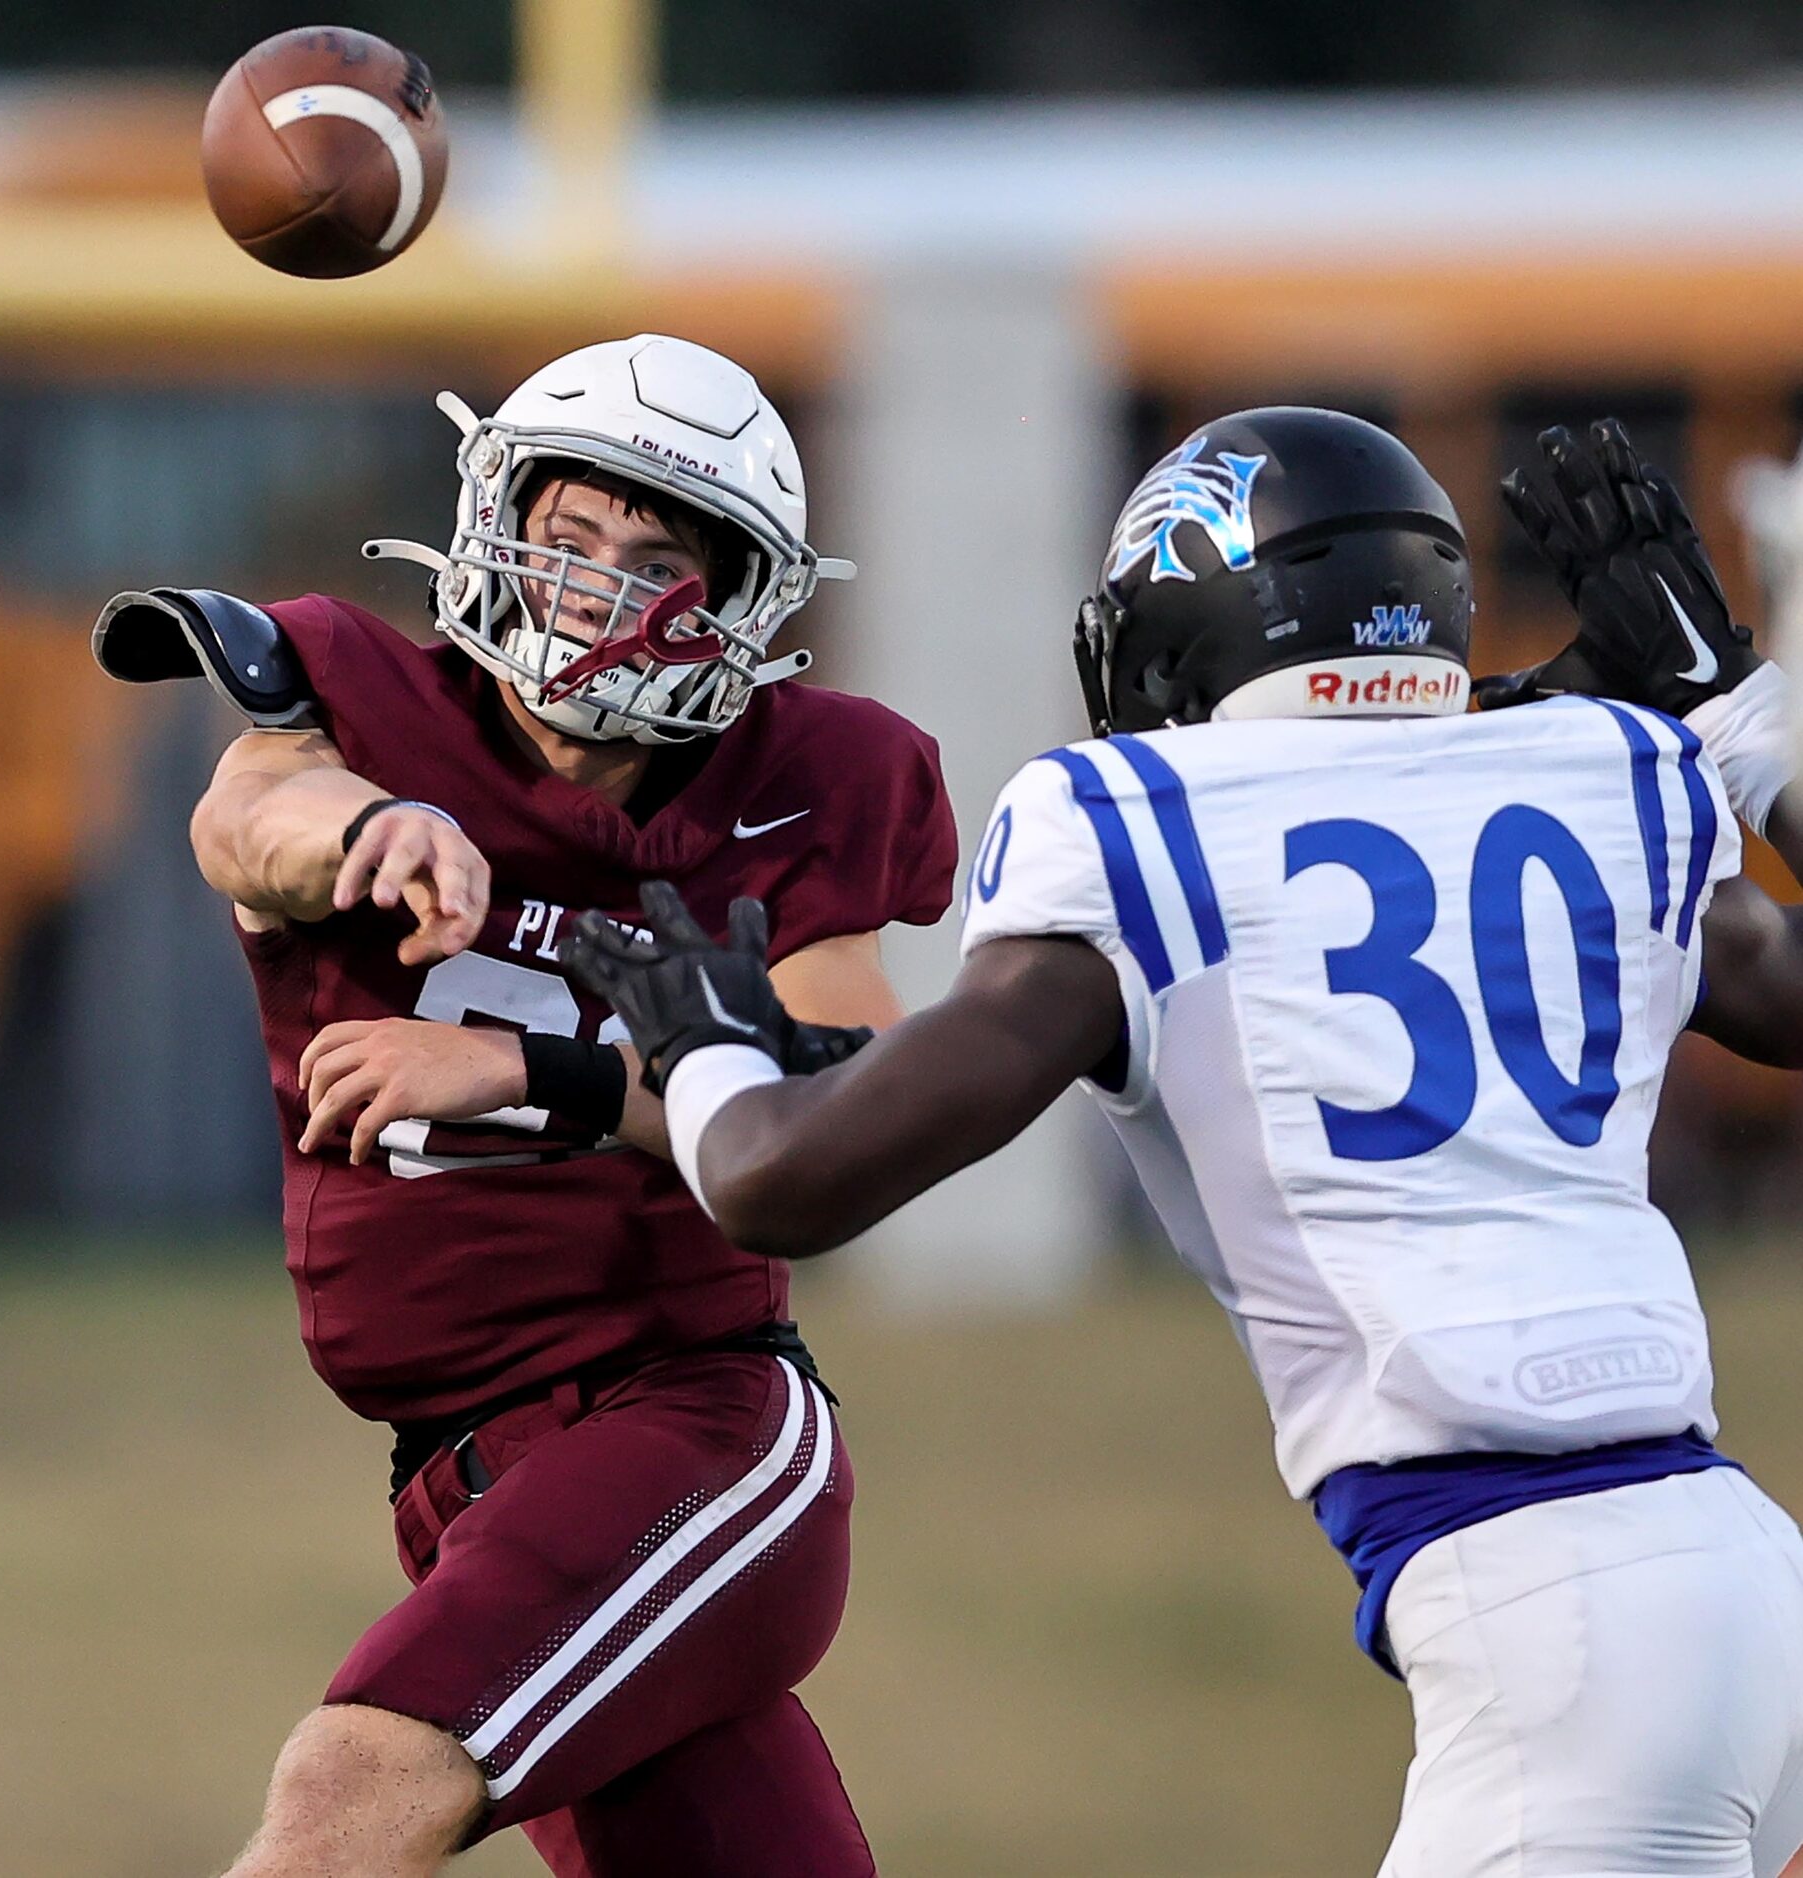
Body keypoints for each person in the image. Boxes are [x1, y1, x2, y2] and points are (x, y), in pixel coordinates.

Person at [563, 409, 1803, 1877]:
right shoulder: (1614, 770)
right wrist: (1742, 719)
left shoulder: (1143, 822)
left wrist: (695, 1043)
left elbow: (777, 1176)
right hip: (1743, 1566)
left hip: (1547, 1622)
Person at [91, 333, 955, 1878]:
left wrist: (540, 1075)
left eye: (654, 556)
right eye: (568, 537)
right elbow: (251, 814)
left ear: (740, 602)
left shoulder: (802, 779)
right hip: (465, 1467)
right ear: (494, 519)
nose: (599, 586)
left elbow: (853, 1093)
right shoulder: (367, 713)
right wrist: (382, 823)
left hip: (690, 1413)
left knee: (353, 1780)